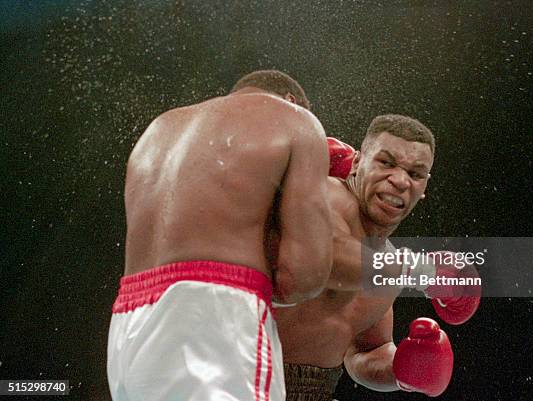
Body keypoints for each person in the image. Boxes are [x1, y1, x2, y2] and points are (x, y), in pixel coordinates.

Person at [107, 70, 333, 401]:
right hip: (214, 316)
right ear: (292, 101)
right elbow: (303, 276)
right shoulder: (296, 120)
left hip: (129, 324)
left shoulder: (159, 128)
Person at [276, 115, 480, 400]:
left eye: (415, 173)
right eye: (386, 163)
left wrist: (403, 371)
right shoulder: (322, 194)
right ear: (358, 162)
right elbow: (325, 258)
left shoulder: (388, 265)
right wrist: (424, 272)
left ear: (424, 188)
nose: (400, 181)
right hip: (234, 379)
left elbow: (364, 352)